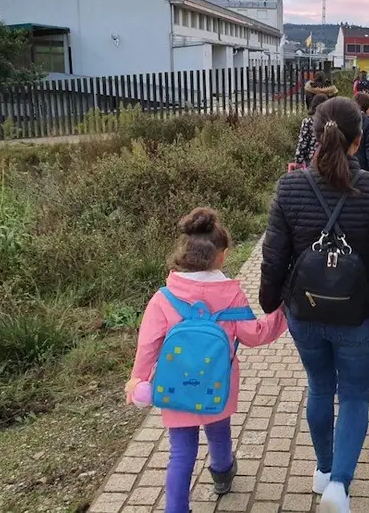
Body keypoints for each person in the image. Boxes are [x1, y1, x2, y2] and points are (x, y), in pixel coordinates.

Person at [259, 97, 369, 513]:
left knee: (320, 387)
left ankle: (323, 469)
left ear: (317, 136)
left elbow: (274, 255)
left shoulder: (289, 186)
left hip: (303, 312)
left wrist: (271, 301)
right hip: (357, 314)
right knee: (357, 396)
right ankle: (340, 486)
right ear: (358, 142)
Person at [125, 208, 288, 513]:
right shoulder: (231, 295)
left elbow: (148, 343)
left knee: (181, 453)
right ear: (221, 256)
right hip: (217, 384)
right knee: (218, 430)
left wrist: (138, 379)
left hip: (175, 387)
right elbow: (254, 335)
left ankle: (176, 509)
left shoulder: (164, 297)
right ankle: (223, 473)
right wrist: (282, 314)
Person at [293, 93, 330, 169]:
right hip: (327, 159)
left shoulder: (308, 122)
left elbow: (303, 143)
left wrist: (298, 161)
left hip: (311, 160)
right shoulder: (330, 123)